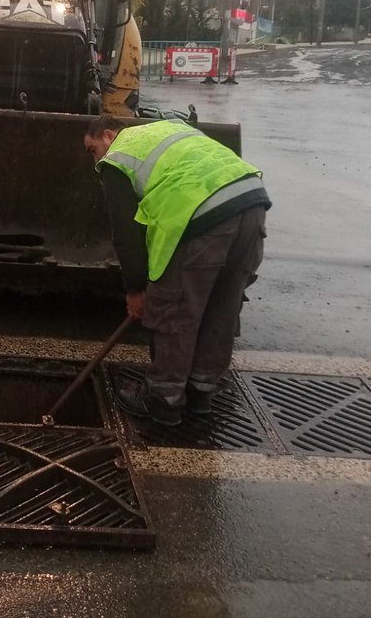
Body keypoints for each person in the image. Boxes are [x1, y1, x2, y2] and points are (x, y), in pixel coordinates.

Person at [83, 115, 271, 426]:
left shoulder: (117, 159)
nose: (95, 159)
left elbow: (126, 233)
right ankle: (201, 392)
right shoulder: (170, 127)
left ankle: (163, 400)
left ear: (107, 135)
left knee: (175, 309)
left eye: (92, 150)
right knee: (222, 307)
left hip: (203, 217)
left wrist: (136, 290)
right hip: (253, 203)